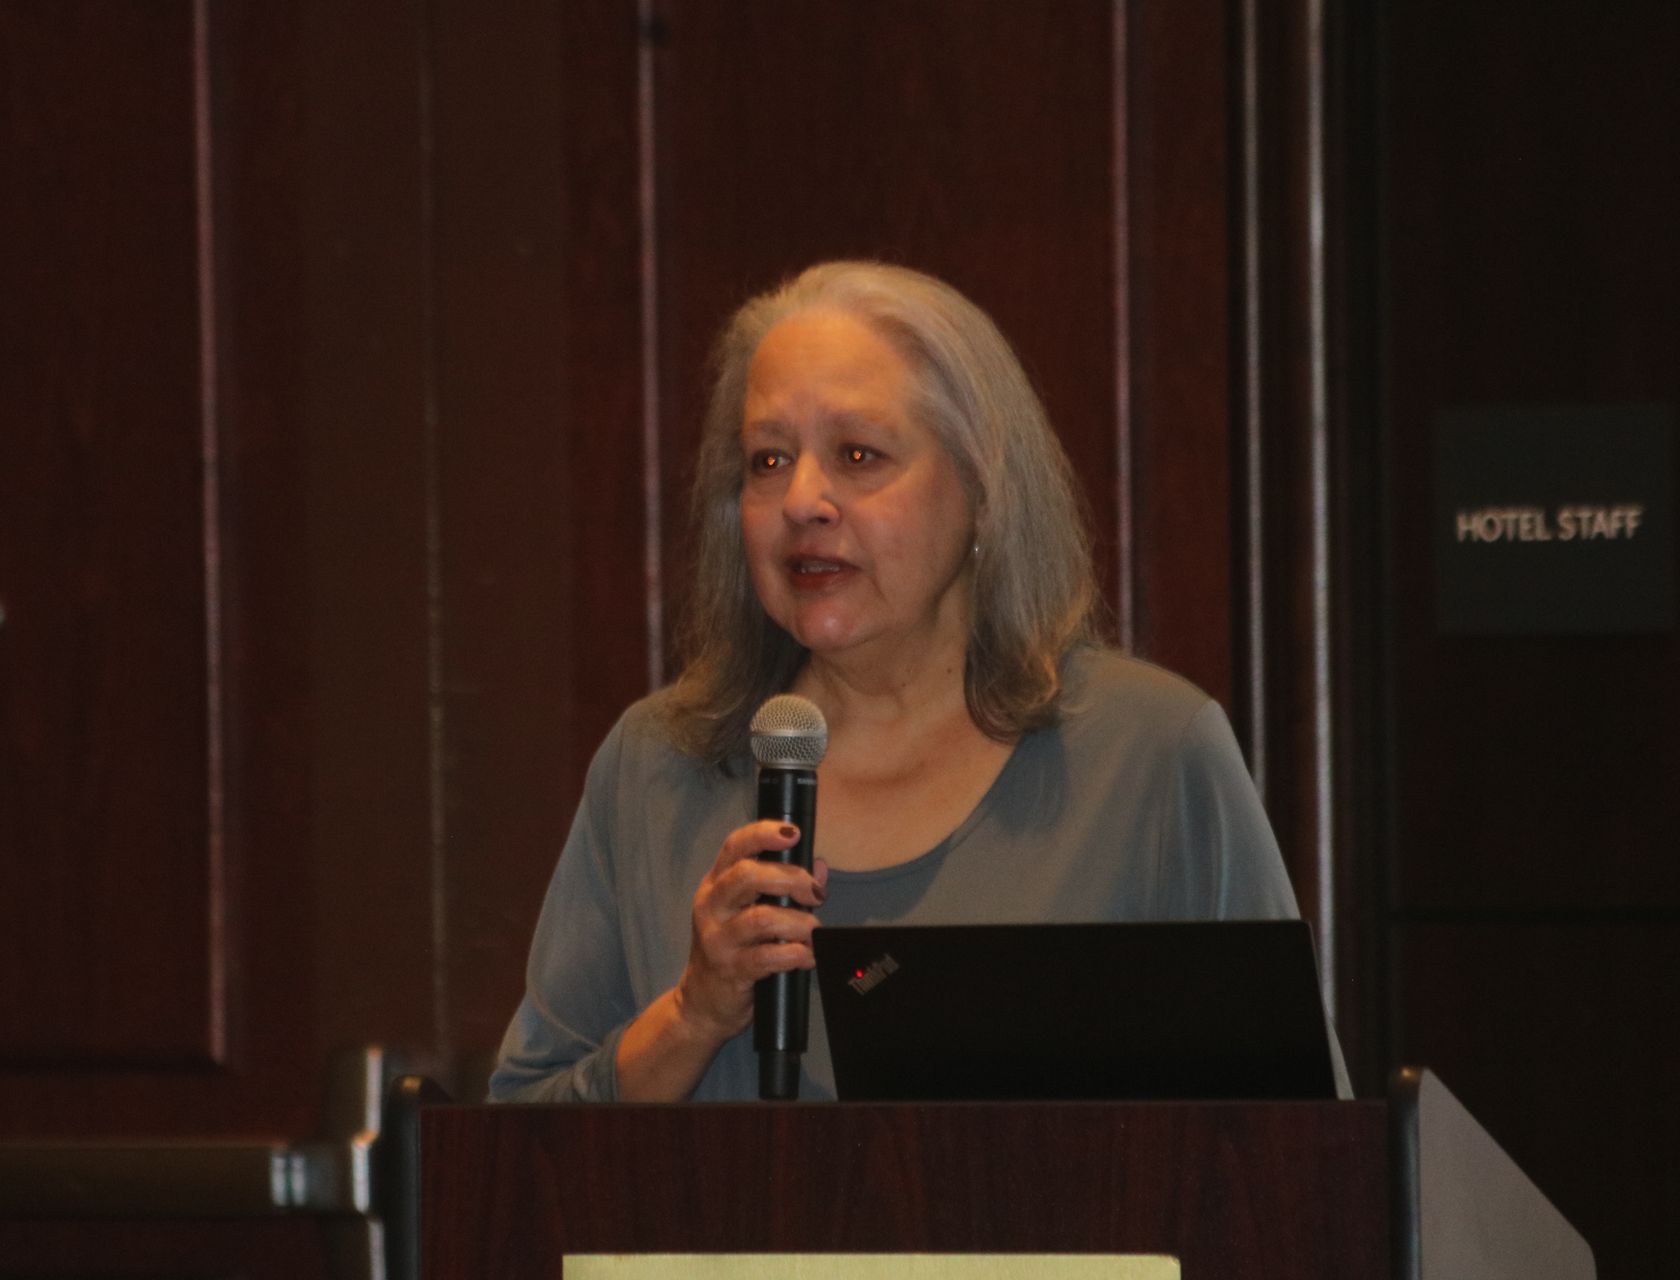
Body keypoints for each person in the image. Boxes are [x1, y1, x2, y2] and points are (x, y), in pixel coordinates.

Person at [490, 261, 1346, 1102]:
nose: (803, 501)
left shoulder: (1150, 758)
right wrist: (692, 1014)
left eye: (859, 454)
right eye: (768, 461)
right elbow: (514, 1164)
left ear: (980, 491)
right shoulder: (656, 769)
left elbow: (1301, 1158)